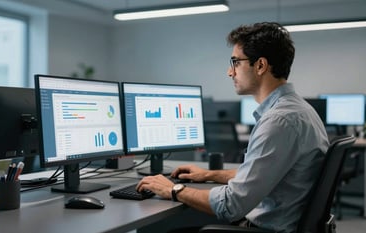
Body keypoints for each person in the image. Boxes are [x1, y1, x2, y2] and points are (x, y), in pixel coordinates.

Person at [136, 22, 329, 233]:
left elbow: (231, 205)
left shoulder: (279, 121)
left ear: (260, 65)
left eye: (236, 62)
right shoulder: (299, 110)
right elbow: (260, 174)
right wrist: (209, 175)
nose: (230, 72)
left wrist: (173, 189)